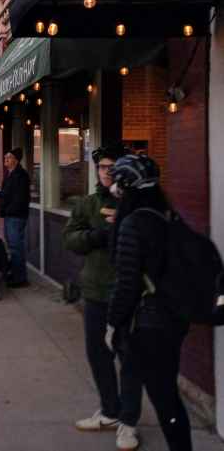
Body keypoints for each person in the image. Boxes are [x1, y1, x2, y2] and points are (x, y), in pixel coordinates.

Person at [108, 154, 192, 451]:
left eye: (116, 179)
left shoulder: (133, 223)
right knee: (150, 378)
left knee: (162, 395)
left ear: (127, 184)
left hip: (149, 321)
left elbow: (127, 283)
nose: (112, 186)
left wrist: (113, 322)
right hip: (176, 315)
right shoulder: (168, 215)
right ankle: (127, 422)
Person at [63, 143, 142, 450]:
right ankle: (110, 410)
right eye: (101, 167)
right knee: (98, 354)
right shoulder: (88, 203)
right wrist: (94, 236)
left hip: (127, 293)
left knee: (129, 358)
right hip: (95, 290)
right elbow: (70, 237)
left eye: (111, 167)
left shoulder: (135, 202)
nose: (106, 172)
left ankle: (129, 422)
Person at [0, 148, 31, 288]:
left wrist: (8, 209)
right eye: (5, 158)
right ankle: (15, 274)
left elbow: (19, 199)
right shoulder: (10, 174)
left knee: (16, 247)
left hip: (16, 216)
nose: (5, 160)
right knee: (12, 247)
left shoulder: (21, 175)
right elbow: (7, 194)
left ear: (15, 160)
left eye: (8, 158)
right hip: (10, 215)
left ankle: (20, 279)